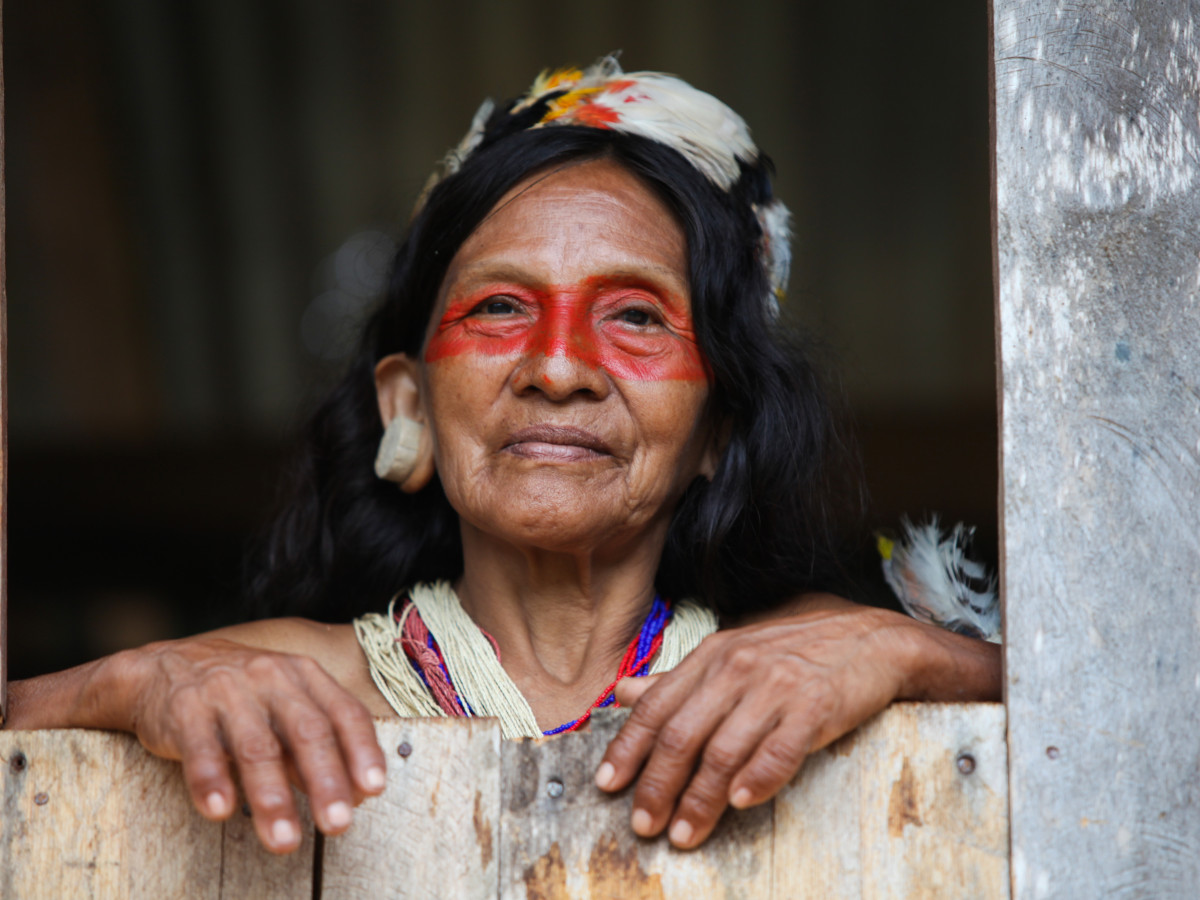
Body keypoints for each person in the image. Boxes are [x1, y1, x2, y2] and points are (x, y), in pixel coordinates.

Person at [5, 58, 1000, 855]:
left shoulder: (810, 671)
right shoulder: (282, 683)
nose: (559, 366)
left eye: (638, 316)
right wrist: (127, 688)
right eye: (500, 307)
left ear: (719, 432)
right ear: (411, 408)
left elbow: (1128, 725)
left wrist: (917, 651)